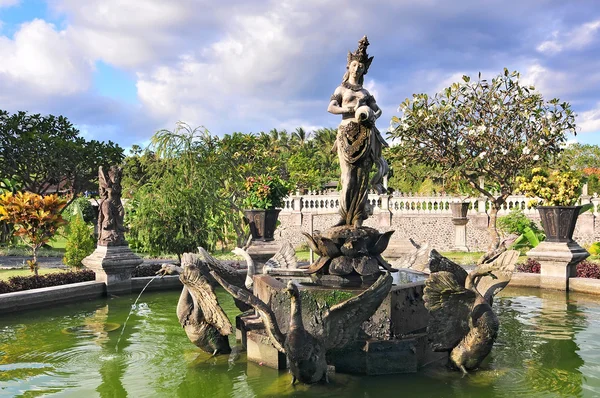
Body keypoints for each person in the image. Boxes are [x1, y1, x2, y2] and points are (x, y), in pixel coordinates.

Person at [327, 36, 389, 227]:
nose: (357, 69)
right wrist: (349, 110)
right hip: (346, 132)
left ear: (364, 69)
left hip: (365, 134)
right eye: (354, 65)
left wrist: (371, 115)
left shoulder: (365, 92)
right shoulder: (341, 89)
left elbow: (379, 110)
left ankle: (358, 218)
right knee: (348, 178)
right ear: (349, 66)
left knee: (362, 178)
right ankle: (344, 215)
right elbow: (331, 107)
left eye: (360, 66)